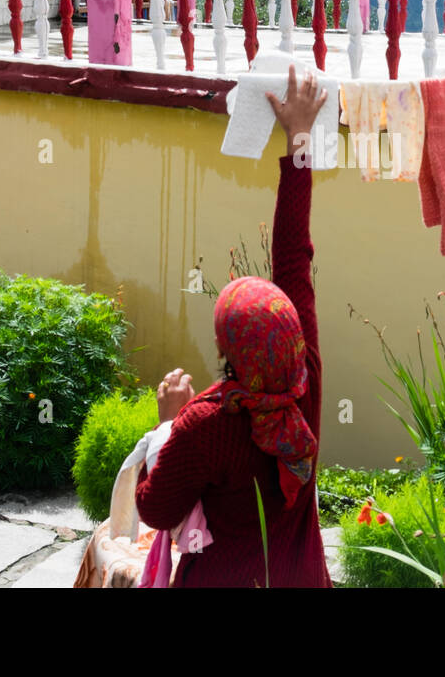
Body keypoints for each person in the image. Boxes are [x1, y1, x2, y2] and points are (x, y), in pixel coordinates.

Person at [136, 65, 332, 587]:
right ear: (291, 333)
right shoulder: (303, 381)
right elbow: (295, 256)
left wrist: (165, 426)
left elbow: (155, 511)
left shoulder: (207, 423)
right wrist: (300, 139)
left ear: (226, 348)